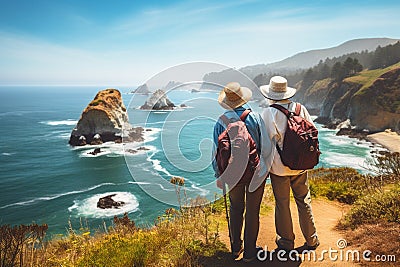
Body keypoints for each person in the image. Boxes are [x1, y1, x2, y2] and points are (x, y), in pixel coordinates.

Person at [212, 82, 272, 262]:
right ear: (242, 98)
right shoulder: (255, 118)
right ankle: (250, 253)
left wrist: (219, 175)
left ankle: (235, 248)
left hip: (232, 174)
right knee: (253, 211)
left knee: (236, 208)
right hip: (256, 172)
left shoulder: (220, 122)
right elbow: (267, 148)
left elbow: (215, 153)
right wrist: (265, 169)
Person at [259, 76, 320, 252]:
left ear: (271, 93)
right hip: (301, 165)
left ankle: (286, 241)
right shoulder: (300, 108)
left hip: (279, 168)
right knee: (304, 200)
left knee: (282, 203)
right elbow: (312, 132)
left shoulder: (269, 113)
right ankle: (312, 239)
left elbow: (266, 144)